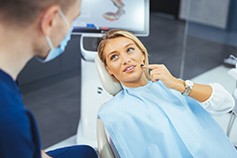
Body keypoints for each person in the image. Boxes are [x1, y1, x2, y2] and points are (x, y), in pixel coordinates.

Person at [97, 29, 237, 158]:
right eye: (114, 57)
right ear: (109, 70)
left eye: (130, 50)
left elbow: (226, 103)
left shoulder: (173, 86)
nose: (126, 60)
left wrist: (177, 84)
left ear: (143, 55)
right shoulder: (114, 113)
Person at [0, 0, 97, 158]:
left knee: (86, 152)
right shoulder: (10, 119)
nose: (69, 29)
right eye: (73, 19)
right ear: (49, 21)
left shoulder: (8, 83)